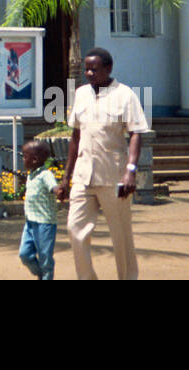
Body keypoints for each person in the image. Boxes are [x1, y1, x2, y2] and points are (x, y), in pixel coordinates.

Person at [54, 49, 149, 280]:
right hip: (83, 175)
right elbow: (76, 136)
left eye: (94, 69)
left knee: (121, 236)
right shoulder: (81, 94)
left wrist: (131, 171)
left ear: (108, 69)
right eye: (86, 69)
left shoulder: (125, 95)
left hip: (113, 177)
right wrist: (66, 177)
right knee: (75, 230)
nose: (88, 73)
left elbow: (136, 133)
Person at [17, 139, 58, 280]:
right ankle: (41, 274)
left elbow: (53, 186)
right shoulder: (31, 174)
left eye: (24, 156)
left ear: (34, 159)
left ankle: (46, 275)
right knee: (25, 254)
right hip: (30, 221)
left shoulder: (46, 175)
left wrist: (57, 190)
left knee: (45, 256)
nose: (23, 159)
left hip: (45, 223)